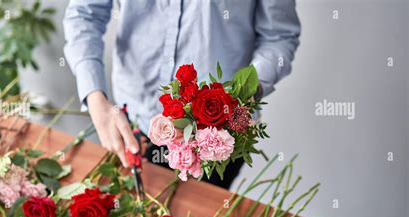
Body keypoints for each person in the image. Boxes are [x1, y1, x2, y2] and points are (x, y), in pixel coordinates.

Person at [64, 0, 300, 189]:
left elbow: (279, 37)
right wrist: (94, 96)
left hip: (216, 139)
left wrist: (243, 93)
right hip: (130, 123)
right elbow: (84, 14)